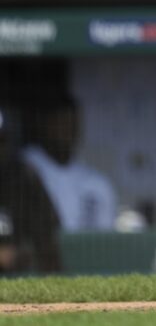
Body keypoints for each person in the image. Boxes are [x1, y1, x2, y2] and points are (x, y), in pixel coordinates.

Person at [21, 95, 117, 233]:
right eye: (62, 123)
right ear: (46, 125)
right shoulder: (24, 166)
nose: (68, 132)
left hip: (81, 253)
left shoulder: (96, 182)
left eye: (73, 125)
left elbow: (105, 240)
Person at [0, 107, 61, 274]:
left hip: (20, 275)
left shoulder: (23, 176)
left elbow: (48, 234)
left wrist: (20, 253)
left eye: (1, 140)